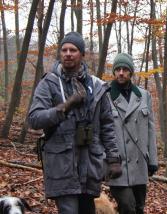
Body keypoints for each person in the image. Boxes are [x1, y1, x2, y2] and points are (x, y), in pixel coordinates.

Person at [28, 32, 122, 214]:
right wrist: (67, 105)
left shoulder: (97, 86)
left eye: (73, 50)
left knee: (87, 210)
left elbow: (107, 126)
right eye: (64, 50)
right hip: (62, 162)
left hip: (90, 164)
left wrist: (113, 159)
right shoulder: (49, 83)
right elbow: (34, 119)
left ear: (82, 55)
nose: (68, 53)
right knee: (69, 210)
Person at [107, 53, 158, 214]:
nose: (121, 73)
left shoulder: (144, 96)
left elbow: (150, 129)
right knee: (128, 207)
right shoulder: (106, 96)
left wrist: (153, 160)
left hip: (139, 164)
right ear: (114, 72)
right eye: (118, 69)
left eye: (125, 69)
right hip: (117, 165)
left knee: (139, 208)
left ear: (131, 72)